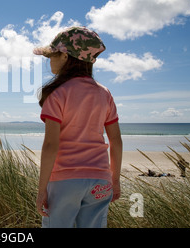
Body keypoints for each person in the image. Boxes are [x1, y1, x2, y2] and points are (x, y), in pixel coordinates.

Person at [34, 26, 123, 228]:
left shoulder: (57, 95)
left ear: (65, 56)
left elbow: (50, 146)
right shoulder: (105, 94)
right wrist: (114, 180)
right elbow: (116, 141)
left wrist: (41, 190)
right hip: (100, 180)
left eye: (52, 55)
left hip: (65, 180)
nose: (49, 60)